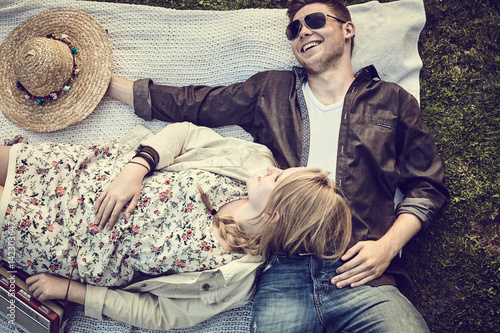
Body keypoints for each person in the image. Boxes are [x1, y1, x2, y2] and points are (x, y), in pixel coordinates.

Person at [107, 0, 450, 331]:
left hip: (362, 270)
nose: (302, 32)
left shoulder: (391, 99)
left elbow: (427, 186)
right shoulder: (272, 90)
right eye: (294, 28)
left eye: (314, 21)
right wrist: (105, 85)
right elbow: (194, 103)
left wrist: (387, 247)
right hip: (283, 269)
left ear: (348, 29)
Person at [0, 121, 352, 330]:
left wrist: (70, 291)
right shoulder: (248, 163)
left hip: (62, 239)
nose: (272, 168)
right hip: (87, 173)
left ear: (275, 216)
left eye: (277, 179)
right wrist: (137, 167)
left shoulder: (231, 280)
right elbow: (184, 134)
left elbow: (159, 313)